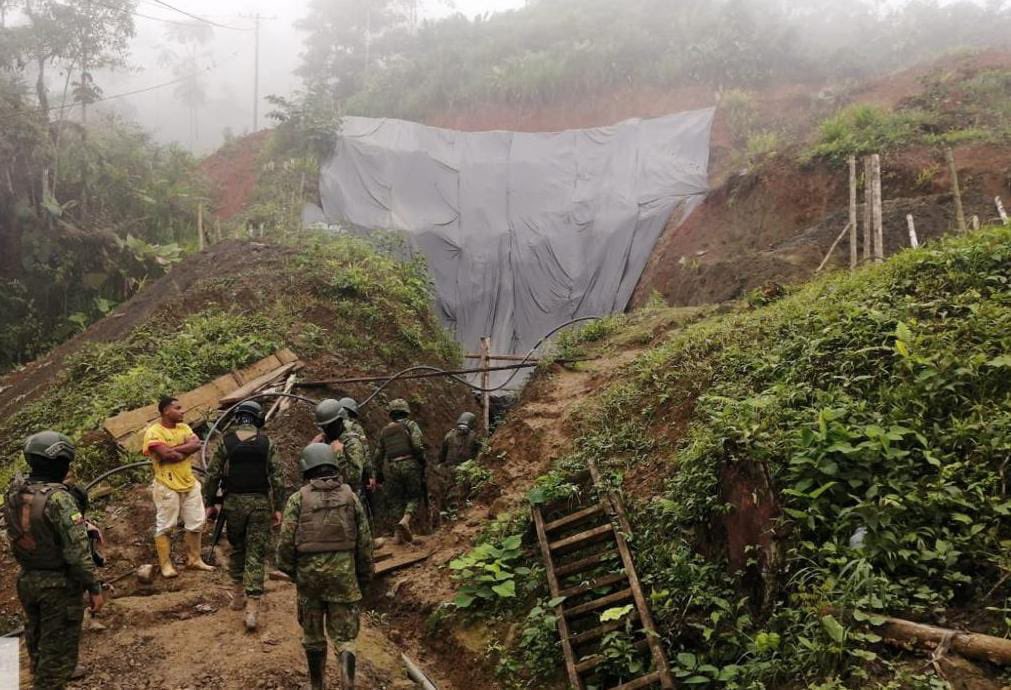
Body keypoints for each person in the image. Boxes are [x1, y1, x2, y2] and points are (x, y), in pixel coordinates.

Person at [4, 431, 105, 689]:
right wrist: (94, 587)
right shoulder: (60, 498)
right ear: (59, 462)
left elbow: (34, 528)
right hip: (58, 584)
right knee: (58, 646)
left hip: (28, 578)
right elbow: (77, 553)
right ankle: (53, 676)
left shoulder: (16, 492)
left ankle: (46, 672)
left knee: (37, 636)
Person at [276, 443, 374, 690]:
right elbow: (364, 541)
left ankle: (317, 684)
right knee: (345, 637)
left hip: (309, 578)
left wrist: (292, 571)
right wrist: (363, 576)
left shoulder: (298, 499)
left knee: (313, 636)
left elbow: (286, 541)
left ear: (306, 468)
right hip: (343, 575)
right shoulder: (350, 497)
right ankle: (347, 678)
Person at [203, 400, 286, 631]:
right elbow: (278, 478)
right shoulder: (267, 442)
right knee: (256, 554)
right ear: (258, 418)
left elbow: (212, 475)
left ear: (238, 418)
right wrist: (279, 506)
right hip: (259, 505)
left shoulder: (226, 442)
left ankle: (237, 596)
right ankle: (252, 608)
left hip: (233, 505)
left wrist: (210, 503)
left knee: (238, 549)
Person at [142, 396, 214, 578]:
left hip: (189, 481)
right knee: (166, 525)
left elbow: (196, 444)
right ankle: (166, 565)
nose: (183, 411)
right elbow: (168, 455)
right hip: (166, 484)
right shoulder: (154, 432)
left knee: (196, 522)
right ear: (166, 411)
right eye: (178, 408)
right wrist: (181, 449)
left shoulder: (184, 427)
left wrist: (174, 449)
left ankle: (194, 559)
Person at [372, 398, 426, 543]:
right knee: (414, 496)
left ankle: (398, 536)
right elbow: (417, 445)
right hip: (409, 463)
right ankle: (406, 519)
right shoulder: (411, 425)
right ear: (406, 411)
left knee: (395, 500)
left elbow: (378, 455)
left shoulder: (385, 431)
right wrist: (421, 460)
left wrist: (378, 474)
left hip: (392, 468)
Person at [312, 398, 371, 494]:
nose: (326, 430)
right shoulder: (325, 439)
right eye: (324, 427)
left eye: (329, 426)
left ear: (339, 421)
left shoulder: (352, 442)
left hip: (348, 498)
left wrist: (339, 455)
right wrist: (314, 448)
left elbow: (354, 478)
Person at [431, 412, 482, 520]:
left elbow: (442, 454)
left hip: (450, 468)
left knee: (449, 488)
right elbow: (480, 452)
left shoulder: (449, 435)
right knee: (465, 489)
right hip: (466, 468)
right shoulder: (474, 436)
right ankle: (459, 510)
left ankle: (449, 511)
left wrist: (441, 464)